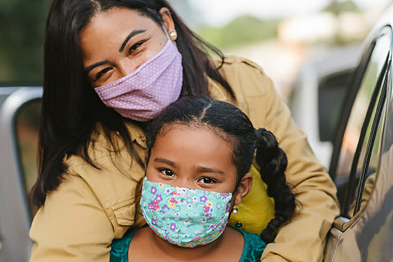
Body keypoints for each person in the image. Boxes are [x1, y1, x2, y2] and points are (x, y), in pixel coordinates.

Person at [29, 0, 339, 262]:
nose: (131, 75)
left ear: (167, 23)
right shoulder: (89, 166)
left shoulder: (243, 85)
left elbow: (310, 192)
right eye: (104, 71)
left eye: (136, 47)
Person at [110, 96, 296, 261]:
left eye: (207, 180)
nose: (181, 192)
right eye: (167, 172)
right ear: (146, 165)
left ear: (240, 190)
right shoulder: (106, 254)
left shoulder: (265, 256)